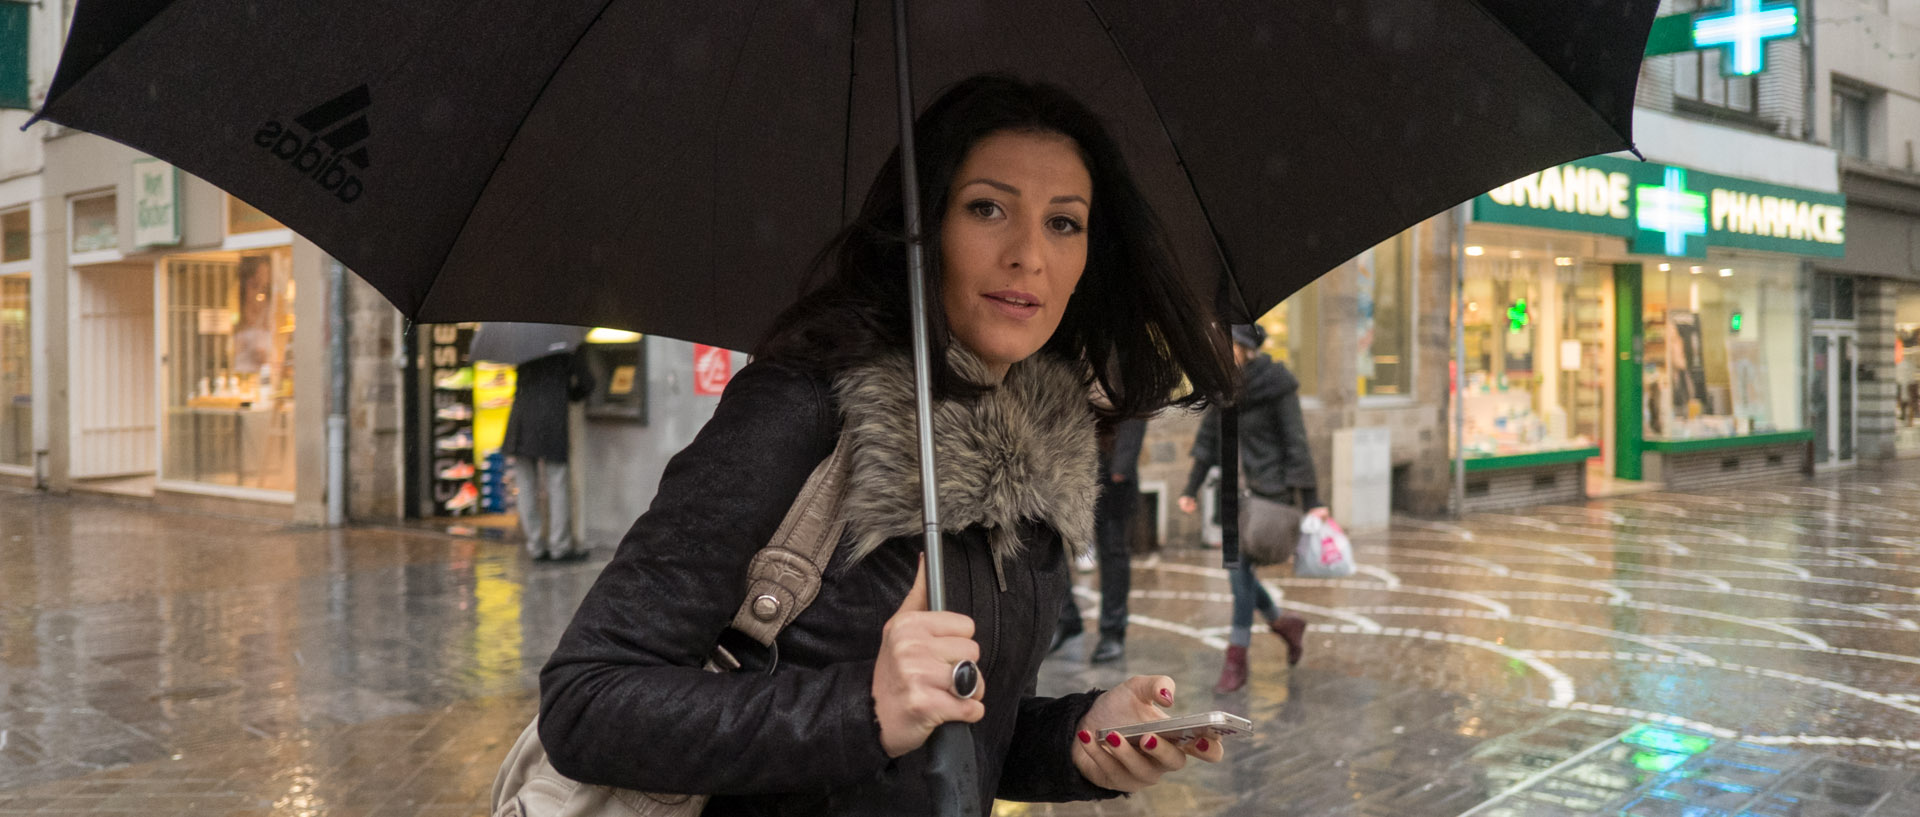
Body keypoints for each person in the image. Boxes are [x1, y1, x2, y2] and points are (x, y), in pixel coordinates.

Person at [536, 75, 1240, 814]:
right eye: (987, 208)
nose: (1029, 254)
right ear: (923, 227)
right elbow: (587, 699)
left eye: (1064, 222)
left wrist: (1077, 738)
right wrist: (860, 709)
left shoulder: (1042, 459)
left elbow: (964, 733)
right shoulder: (803, 407)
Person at [1177, 323, 1323, 694]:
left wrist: (1312, 501)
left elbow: (1296, 442)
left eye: (1227, 346)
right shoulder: (1223, 387)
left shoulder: (1277, 386)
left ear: (1243, 347)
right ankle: (1281, 626)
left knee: (1239, 578)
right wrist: (1191, 487)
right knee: (1239, 577)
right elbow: (1208, 439)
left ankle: (1236, 658)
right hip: (1231, 498)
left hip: (1267, 497)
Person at [1051, 414, 1148, 663]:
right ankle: (1065, 619)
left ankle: (1113, 631)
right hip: (1070, 465)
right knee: (1050, 545)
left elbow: (1138, 407)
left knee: (1113, 551)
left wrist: (1121, 465)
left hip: (1111, 467)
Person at [501, 349, 595, 562]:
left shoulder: (524, 339)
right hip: (552, 419)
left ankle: (535, 545)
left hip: (521, 420)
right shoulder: (566, 341)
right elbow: (588, 382)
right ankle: (558, 546)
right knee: (557, 483)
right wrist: (570, 393)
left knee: (526, 486)